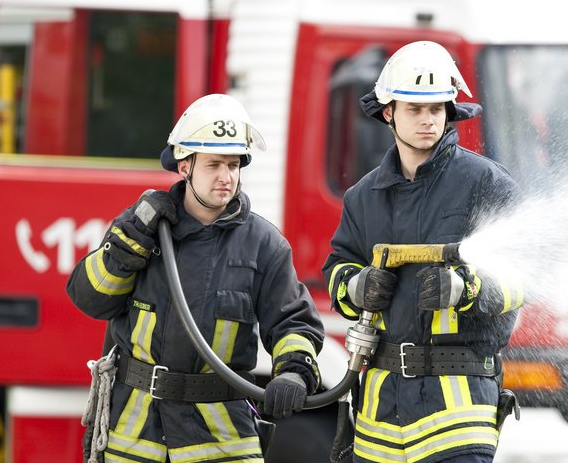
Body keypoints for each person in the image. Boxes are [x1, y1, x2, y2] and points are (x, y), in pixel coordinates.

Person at [67, 94, 324, 463]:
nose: (227, 177)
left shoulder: (264, 245)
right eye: (214, 164)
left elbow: (292, 322)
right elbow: (90, 299)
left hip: (221, 443)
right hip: (134, 439)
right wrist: (126, 248)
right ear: (185, 165)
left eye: (234, 165)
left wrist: (295, 373)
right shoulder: (141, 230)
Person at [322, 41, 524, 463]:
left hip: (459, 413)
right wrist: (356, 286)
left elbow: (524, 277)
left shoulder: (484, 184)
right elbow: (338, 269)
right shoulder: (364, 197)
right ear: (389, 112)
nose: (428, 120)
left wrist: (464, 288)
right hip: (379, 419)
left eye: (436, 109)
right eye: (415, 109)